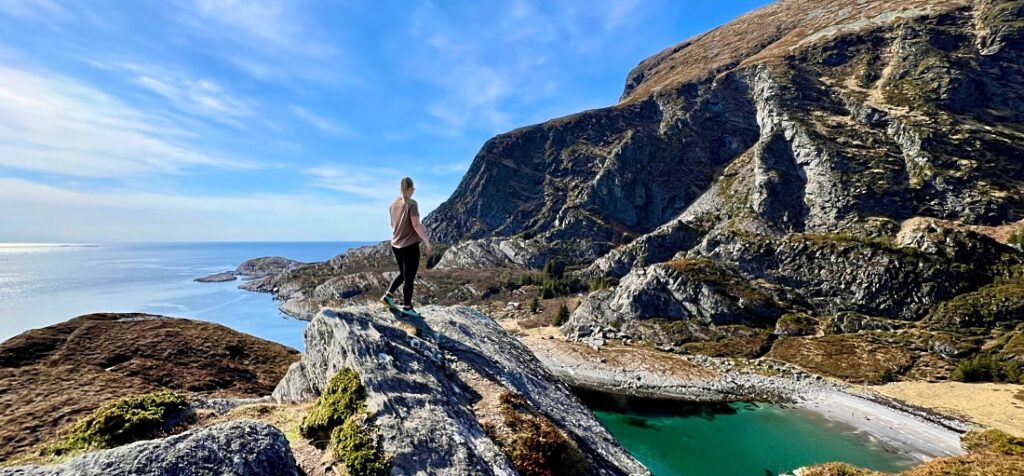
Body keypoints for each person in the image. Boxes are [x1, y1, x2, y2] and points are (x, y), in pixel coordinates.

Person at [381, 176, 433, 313]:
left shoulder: (393, 205)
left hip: (396, 245)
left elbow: (394, 224)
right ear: (410, 189)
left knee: (403, 273)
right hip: (410, 246)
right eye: (413, 189)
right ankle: (407, 307)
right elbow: (416, 225)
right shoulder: (412, 204)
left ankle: (388, 296)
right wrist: (427, 241)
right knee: (409, 277)